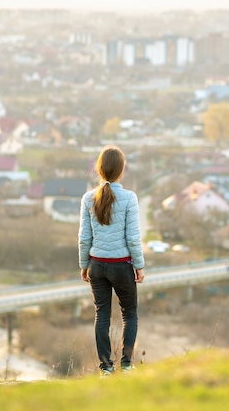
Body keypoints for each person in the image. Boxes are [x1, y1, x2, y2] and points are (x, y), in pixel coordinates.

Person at [78, 145, 145, 377]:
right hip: (122, 265)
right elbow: (133, 237)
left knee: (102, 314)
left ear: (99, 169)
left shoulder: (88, 198)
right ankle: (126, 365)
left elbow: (84, 237)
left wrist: (83, 265)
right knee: (129, 314)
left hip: (97, 265)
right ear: (121, 170)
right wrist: (139, 266)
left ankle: (106, 368)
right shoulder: (129, 198)